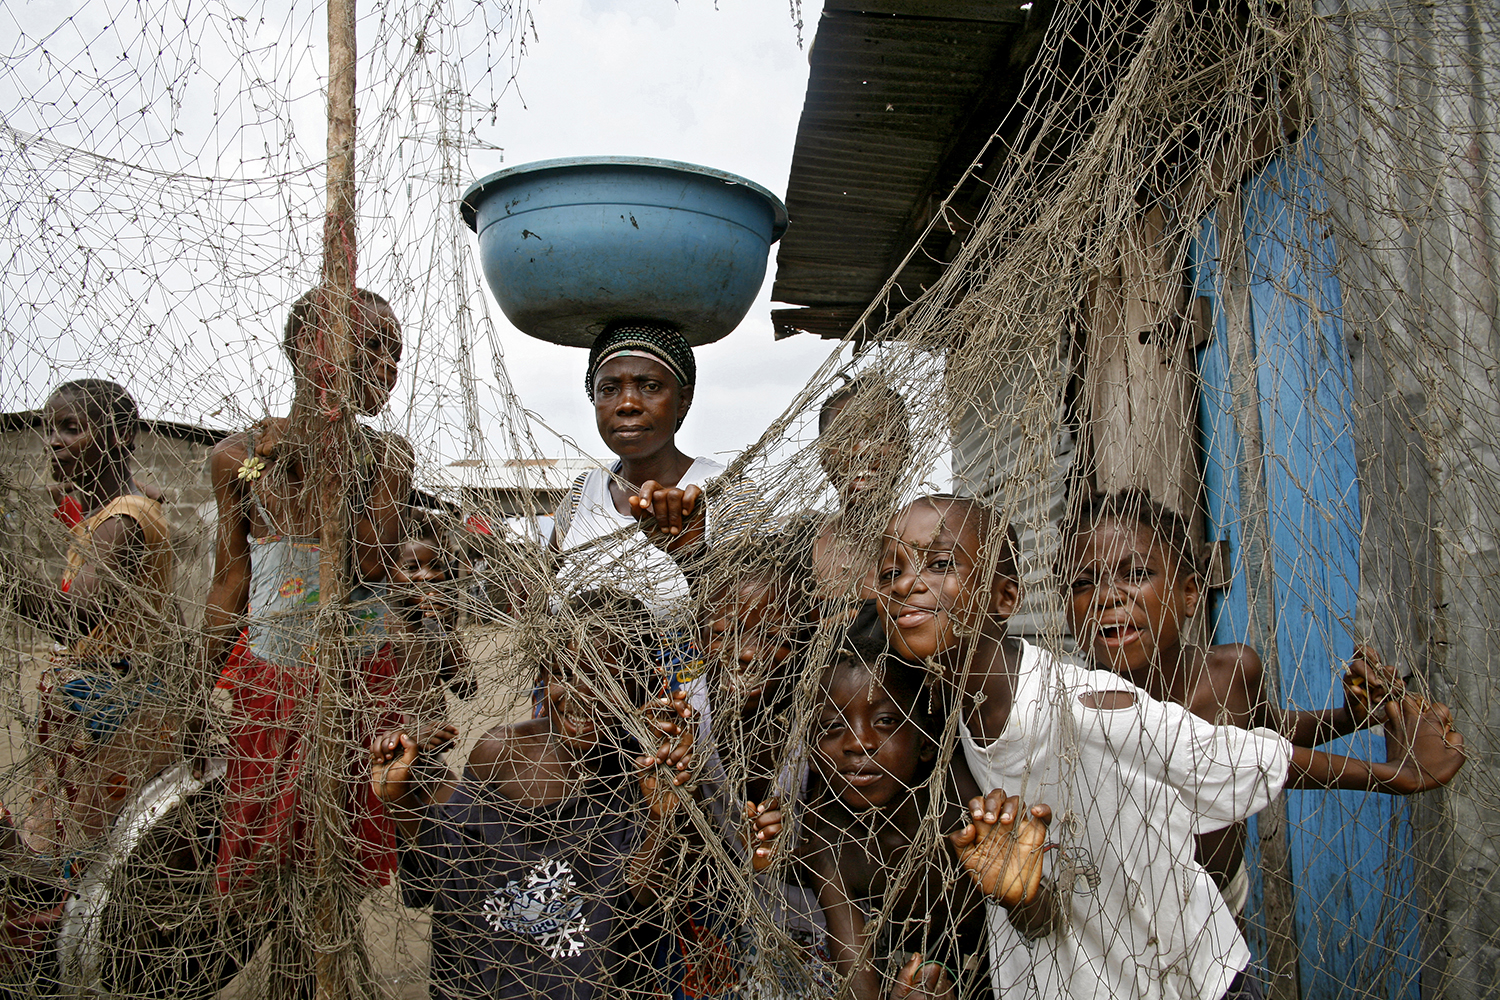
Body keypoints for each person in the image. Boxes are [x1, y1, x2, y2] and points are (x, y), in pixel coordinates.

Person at [872, 495, 1466, 1000]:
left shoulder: (1077, 702)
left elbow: (1227, 754)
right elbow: (1034, 904)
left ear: (1006, 599)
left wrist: (1400, 775)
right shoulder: (952, 719)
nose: (907, 583)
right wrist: (1018, 894)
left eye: (941, 562)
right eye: (891, 570)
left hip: (1183, 974)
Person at [1060, 487, 1458, 912]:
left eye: (1136, 574)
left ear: (1190, 593)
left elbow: (1267, 732)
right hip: (1131, 921)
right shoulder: (1082, 712)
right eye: (1083, 583)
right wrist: (1391, 774)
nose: (1107, 596)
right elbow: (1240, 761)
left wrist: (1347, 718)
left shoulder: (1233, 670)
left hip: (1224, 904)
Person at [201, 287, 415, 991]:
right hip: (272, 684)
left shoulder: (387, 459)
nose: (386, 366)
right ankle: (293, 980)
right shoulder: (239, 459)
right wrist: (200, 690)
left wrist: (330, 459)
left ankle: (323, 974)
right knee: (274, 865)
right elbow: (231, 583)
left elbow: (367, 562)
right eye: (370, 346)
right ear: (307, 350)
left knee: (339, 865)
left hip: (358, 686)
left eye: (394, 353)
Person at [370, 590, 696, 1000]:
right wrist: (401, 800)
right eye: (564, 673)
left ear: (641, 686)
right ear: (543, 677)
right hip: (493, 980)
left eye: (605, 679)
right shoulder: (501, 753)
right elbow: (447, 873)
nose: (581, 694)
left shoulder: (645, 771)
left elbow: (641, 900)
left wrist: (660, 818)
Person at [548, 323, 767, 701]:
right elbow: (543, 596)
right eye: (609, 389)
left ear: (683, 400)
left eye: (650, 386)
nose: (628, 403)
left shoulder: (725, 491)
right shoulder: (582, 492)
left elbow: (754, 619)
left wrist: (690, 557)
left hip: (687, 713)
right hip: (580, 716)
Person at [773, 629, 989, 1000]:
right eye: (832, 726)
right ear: (809, 749)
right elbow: (856, 973)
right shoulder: (826, 835)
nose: (858, 743)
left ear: (926, 740)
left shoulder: (963, 801)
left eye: (885, 721)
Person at [810, 375, 912, 624]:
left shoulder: (932, 542)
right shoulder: (798, 547)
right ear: (824, 457)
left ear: (906, 451)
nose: (864, 451)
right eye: (845, 438)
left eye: (882, 436)